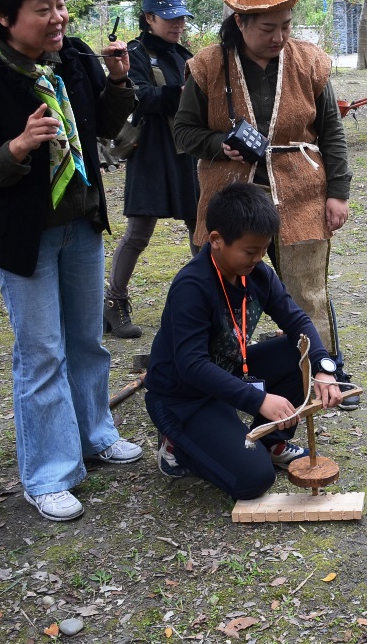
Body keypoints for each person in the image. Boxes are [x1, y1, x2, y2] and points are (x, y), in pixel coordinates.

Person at [0, 0, 143, 523]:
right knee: (41, 354)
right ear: (3, 16)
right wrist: (19, 147)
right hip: (21, 239)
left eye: (60, 5)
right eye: (42, 10)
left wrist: (119, 82)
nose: (58, 18)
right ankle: (47, 474)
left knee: (85, 341)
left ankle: (96, 434)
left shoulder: (72, 60)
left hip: (79, 223)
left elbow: (104, 126)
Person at [171, 0, 358, 410]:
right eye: (268, 28)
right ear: (241, 23)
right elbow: (183, 132)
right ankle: (221, 377)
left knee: (307, 289)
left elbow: (331, 131)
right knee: (224, 293)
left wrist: (338, 191)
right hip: (231, 200)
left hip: (300, 193)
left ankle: (325, 374)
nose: (279, 37)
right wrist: (220, 144)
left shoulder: (310, 62)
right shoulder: (207, 66)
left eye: (286, 26)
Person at [143, 183, 343, 497]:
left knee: (298, 355)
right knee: (253, 480)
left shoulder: (257, 275)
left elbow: (298, 321)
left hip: (228, 375)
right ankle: (177, 446)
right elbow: (192, 365)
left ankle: (270, 442)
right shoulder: (192, 288)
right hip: (183, 398)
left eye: (263, 250)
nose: (258, 258)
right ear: (216, 241)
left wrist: (322, 367)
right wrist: (259, 400)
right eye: (250, 251)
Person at [103, 0, 199, 339]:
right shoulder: (134, 53)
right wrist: (182, 95)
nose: (177, 24)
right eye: (170, 18)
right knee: (139, 232)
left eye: (181, 18)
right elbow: (137, 96)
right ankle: (113, 304)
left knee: (199, 226)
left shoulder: (184, 54)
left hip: (186, 152)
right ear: (149, 19)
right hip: (150, 153)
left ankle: (209, 299)